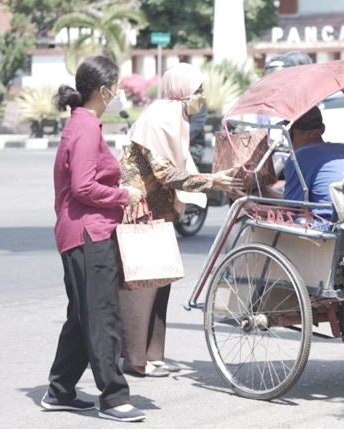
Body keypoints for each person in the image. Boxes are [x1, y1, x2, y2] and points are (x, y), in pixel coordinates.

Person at [118, 63, 242, 378]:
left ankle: (153, 356)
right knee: (142, 284)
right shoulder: (158, 120)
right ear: (181, 92)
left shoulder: (175, 117)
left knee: (161, 281)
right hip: (140, 210)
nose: (201, 97)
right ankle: (134, 360)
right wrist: (213, 180)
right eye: (197, 91)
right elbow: (166, 173)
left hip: (158, 211)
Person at [44, 56, 146, 422]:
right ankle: (114, 397)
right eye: (116, 87)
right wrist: (124, 196)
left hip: (80, 233)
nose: (118, 94)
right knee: (102, 316)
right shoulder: (85, 128)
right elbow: (83, 186)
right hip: (89, 234)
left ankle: (59, 391)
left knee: (82, 316)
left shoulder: (83, 124)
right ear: (103, 91)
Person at [282, 106, 344, 219]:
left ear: (290, 132)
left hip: (329, 225)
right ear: (323, 129)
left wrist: (252, 207)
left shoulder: (298, 158)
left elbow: (291, 210)